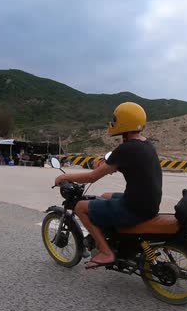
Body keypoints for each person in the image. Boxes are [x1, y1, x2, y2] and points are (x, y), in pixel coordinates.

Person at [54, 102, 163, 269]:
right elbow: (129, 165)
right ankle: (115, 237)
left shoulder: (126, 149)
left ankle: (106, 252)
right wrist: (105, 164)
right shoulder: (145, 144)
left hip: (134, 209)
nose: (113, 122)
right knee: (105, 196)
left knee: (80, 207)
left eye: (115, 119)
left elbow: (91, 177)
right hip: (149, 204)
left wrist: (65, 176)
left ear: (125, 122)